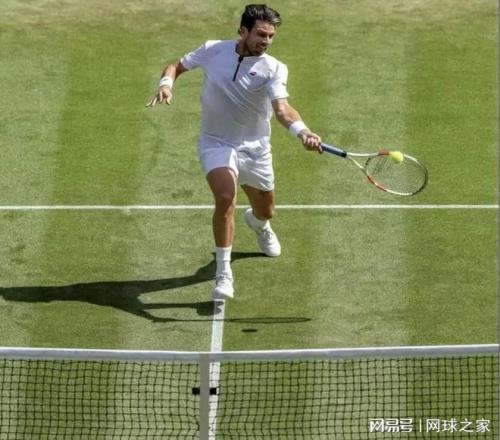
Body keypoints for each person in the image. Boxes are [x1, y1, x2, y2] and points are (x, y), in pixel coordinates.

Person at [147, 4, 322, 300]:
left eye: (271, 36)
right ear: (242, 31)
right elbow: (175, 66)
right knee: (225, 197)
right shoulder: (213, 50)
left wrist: (302, 131)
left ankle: (259, 224)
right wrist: (167, 85)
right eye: (261, 34)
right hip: (216, 142)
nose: (266, 41)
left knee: (266, 210)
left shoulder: (274, 68)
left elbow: (282, 110)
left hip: (255, 149)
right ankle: (223, 273)